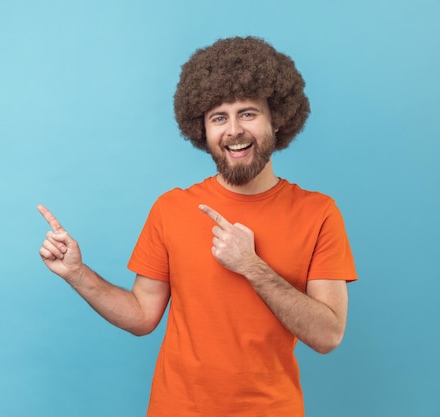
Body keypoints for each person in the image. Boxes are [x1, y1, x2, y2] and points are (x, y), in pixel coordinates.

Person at [38, 36, 357, 417]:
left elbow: (328, 335)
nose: (234, 130)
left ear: (277, 119)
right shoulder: (172, 208)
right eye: (218, 118)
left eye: (248, 113)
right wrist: (77, 274)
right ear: (202, 131)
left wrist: (252, 266)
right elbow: (142, 316)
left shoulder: (318, 213)